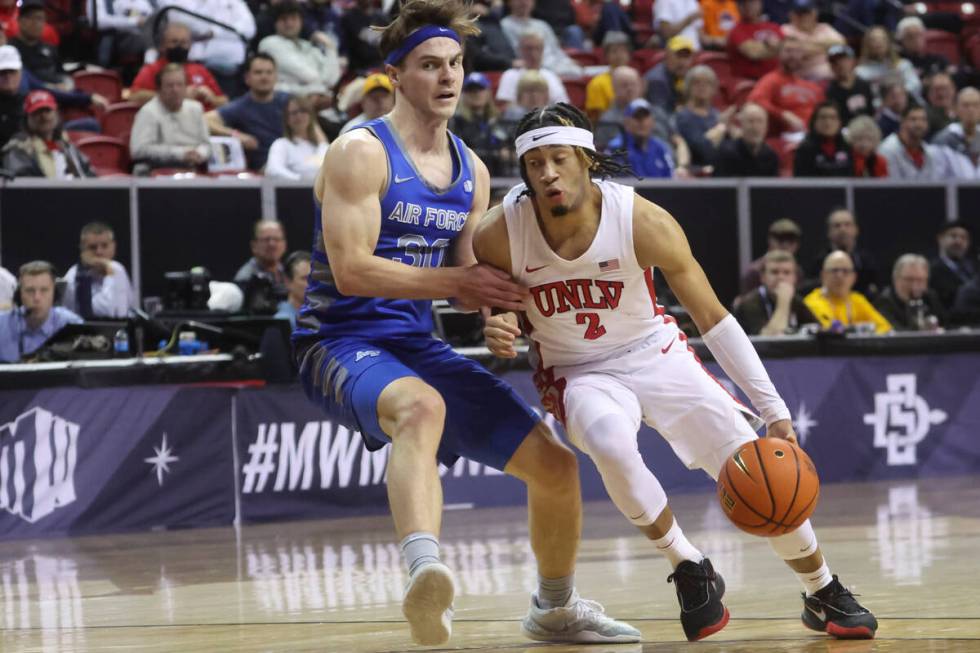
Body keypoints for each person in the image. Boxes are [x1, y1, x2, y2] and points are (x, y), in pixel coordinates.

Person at [293, 3, 640, 646]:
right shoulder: (359, 153)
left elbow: (468, 278)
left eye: (455, 64)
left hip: (414, 343)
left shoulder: (471, 171)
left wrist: (497, 317)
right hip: (338, 339)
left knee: (557, 467)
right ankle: (425, 573)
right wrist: (462, 286)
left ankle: (555, 608)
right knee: (420, 410)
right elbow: (351, 272)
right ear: (395, 75)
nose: (448, 77)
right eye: (430, 65)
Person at [479, 101, 878, 643]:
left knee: (757, 471)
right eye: (536, 164)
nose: (548, 174)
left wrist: (773, 410)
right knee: (608, 443)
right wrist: (498, 324)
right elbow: (495, 303)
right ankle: (689, 566)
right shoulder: (500, 234)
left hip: (653, 350)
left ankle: (821, 588)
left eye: (560, 159)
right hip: (575, 369)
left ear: (587, 160)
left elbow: (714, 319)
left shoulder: (642, 220)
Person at [206, 54, 290, 171]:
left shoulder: (289, 101)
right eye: (258, 72)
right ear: (247, 78)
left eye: (269, 72)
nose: (264, 77)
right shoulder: (240, 106)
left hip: (295, 159)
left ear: (276, 76)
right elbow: (205, 120)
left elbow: (313, 128)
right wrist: (235, 135)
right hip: (266, 167)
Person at [129, 63, 212, 174]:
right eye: (170, 86)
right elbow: (138, 150)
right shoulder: (148, 112)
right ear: (159, 89)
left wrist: (200, 153)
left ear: (186, 87)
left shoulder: (196, 108)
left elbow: (206, 144)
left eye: (179, 85)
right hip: (155, 172)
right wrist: (180, 154)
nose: (175, 90)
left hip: (191, 171)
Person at [129, 22, 228, 111]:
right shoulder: (152, 69)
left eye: (184, 42)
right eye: (174, 42)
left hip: (205, 121)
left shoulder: (200, 70)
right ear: (163, 45)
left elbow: (225, 102)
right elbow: (135, 96)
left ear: (190, 45)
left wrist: (212, 98)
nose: (179, 46)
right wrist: (174, 96)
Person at [0, 260, 83, 363]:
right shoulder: (2, 325)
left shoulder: (72, 324)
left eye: (44, 290)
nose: (37, 298)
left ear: (55, 293)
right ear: (19, 294)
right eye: (30, 290)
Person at [1, 90, 95, 178]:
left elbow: (88, 174)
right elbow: (24, 186)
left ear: (57, 113)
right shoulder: (19, 148)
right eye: (36, 112)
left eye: (47, 110)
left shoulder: (65, 145)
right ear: (27, 119)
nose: (43, 116)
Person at [258, 1, 341, 101]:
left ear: (301, 21)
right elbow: (311, 76)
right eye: (284, 19)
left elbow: (332, 80)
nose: (289, 23)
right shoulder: (270, 44)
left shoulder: (307, 45)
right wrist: (320, 88)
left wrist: (330, 47)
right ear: (275, 23)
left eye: (293, 18)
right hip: (285, 104)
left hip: (316, 104)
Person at [747, 37, 824, 137]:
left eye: (797, 51)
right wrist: (783, 115)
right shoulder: (772, 80)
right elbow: (755, 100)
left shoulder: (812, 86)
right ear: (779, 54)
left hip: (815, 135)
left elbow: (824, 110)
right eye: (788, 51)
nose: (793, 56)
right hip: (787, 136)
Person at [804, 251, 891, 333]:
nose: (840, 276)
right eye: (834, 270)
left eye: (845, 271)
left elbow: (885, 327)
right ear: (823, 275)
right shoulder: (812, 302)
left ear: (854, 277)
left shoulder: (857, 300)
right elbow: (829, 330)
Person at [62, 222, 135, 319]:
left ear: (113, 247)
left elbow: (129, 307)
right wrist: (109, 274)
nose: (99, 252)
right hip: (86, 332)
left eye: (104, 246)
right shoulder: (74, 276)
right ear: (82, 249)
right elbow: (105, 312)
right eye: (93, 247)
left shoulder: (119, 269)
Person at [734, 250, 817, 334]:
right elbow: (769, 339)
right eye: (774, 272)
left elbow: (816, 329)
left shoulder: (796, 300)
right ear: (763, 277)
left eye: (786, 272)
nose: (780, 277)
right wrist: (783, 302)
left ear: (795, 277)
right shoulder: (748, 304)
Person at [807, 208, 880, 297]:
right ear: (829, 232)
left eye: (847, 225)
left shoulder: (867, 262)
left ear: (856, 229)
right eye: (837, 226)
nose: (842, 229)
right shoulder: (819, 262)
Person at [674, 64, 734, 169]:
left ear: (714, 88)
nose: (702, 86)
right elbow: (701, 150)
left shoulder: (717, 115)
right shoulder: (683, 116)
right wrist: (721, 128)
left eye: (707, 83)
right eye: (697, 82)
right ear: (688, 87)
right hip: (695, 171)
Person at [500, 0, 581, 77]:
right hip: (538, 70)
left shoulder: (542, 24)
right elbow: (517, 54)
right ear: (509, 2)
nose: (524, 2)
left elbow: (557, 51)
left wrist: (569, 62)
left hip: (561, 67)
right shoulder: (504, 25)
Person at [606, 98, 680, 178]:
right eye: (637, 117)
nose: (641, 122)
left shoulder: (661, 148)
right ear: (626, 122)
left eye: (645, 117)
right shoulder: (616, 148)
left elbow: (671, 178)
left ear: (652, 122)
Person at [878, 104, 954, 181]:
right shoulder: (888, 150)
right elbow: (891, 188)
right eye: (913, 119)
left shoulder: (930, 152)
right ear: (902, 122)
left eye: (923, 119)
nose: (919, 124)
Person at [495, 31, 569, 108]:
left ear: (542, 50)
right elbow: (504, 108)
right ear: (520, 49)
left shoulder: (551, 76)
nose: (533, 53)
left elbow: (563, 108)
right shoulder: (510, 75)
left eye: (537, 48)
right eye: (529, 48)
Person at [873, 254, 946, 331]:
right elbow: (895, 334)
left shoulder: (930, 297)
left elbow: (946, 326)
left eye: (920, 280)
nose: (914, 286)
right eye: (909, 280)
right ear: (896, 279)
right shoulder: (884, 302)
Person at [10, 0, 71, 89]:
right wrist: (50, 87)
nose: (35, 23)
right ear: (19, 20)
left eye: (40, 18)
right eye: (30, 17)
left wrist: (68, 85)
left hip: (58, 96)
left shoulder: (50, 49)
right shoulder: (11, 50)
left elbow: (63, 74)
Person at [266, 95, 329, 180]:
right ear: (287, 119)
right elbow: (273, 170)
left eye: (303, 111)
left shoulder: (321, 146)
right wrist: (300, 181)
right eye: (294, 113)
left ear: (311, 116)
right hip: (294, 190)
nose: (299, 116)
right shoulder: (281, 144)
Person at [780, 0, 844, 81]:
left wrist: (806, 44)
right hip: (804, 77)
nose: (803, 17)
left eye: (807, 13)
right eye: (799, 14)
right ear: (791, 15)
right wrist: (827, 47)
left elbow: (841, 44)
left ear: (815, 13)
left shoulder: (824, 27)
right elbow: (798, 52)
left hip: (833, 74)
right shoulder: (785, 29)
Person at [854, 26, 921, 101]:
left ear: (889, 42)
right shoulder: (860, 72)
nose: (879, 42)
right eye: (874, 40)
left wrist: (897, 93)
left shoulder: (903, 65)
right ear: (867, 45)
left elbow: (916, 86)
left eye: (882, 39)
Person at [713, 102, 780, 177]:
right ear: (741, 125)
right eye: (750, 121)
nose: (755, 127)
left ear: (766, 126)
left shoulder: (770, 157)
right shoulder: (726, 154)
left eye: (760, 121)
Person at [740, 217, 803, 293]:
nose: (785, 244)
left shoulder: (798, 271)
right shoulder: (754, 271)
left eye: (791, 240)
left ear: (797, 244)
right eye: (781, 239)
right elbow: (747, 301)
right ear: (770, 240)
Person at [792, 101, 853, 177]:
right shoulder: (804, 150)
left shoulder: (848, 149)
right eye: (823, 117)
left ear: (840, 122)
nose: (828, 122)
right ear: (814, 122)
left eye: (833, 118)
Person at [932, 87, 980, 180]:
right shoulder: (943, 140)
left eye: (976, 105)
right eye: (966, 105)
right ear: (956, 108)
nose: (971, 110)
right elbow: (937, 178)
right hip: (954, 192)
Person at [585, 31, 633, 123]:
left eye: (623, 50)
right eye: (614, 51)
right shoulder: (597, 84)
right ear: (606, 56)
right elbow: (598, 120)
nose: (619, 56)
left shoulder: (635, 79)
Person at [727, 0, 781, 80]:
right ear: (738, 6)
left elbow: (786, 49)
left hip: (775, 80)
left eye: (751, 2)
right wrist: (773, 46)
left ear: (760, 3)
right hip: (748, 81)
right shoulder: (736, 30)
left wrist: (766, 47)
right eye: (742, 3)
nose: (747, 6)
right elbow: (753, 53)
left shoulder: (774, 27)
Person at [929, 220, 976, 311]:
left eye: (964, 237)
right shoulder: (931, 270)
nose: (958, 241)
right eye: (953, 236)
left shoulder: (975, 269)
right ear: (940, 239)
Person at [643, 35, 696, 114]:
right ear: (667, 55)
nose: (682, 62)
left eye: (686, 56)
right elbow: (660, 117)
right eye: (678, 55)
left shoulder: (686, 77)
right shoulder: (657, 80)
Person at [235, 219, 288, 296]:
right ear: (254, 245)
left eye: (277, 239)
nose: (272, 244)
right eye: (266, 240)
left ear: (284, 244)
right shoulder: (246, 279)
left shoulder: (288, 273)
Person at [825, 44, 873, 125]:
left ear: (853, 61)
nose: (839, 64)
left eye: (843, 59)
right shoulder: (831, 91)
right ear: (831, 67)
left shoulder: (864, 85)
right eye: (834, 61)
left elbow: (872, 111)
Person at [896, 16, 950, 81]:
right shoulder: (897, 62)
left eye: (918, 35)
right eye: (910, 37)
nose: (916, 40)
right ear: (902, 40)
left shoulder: (938, 59)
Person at [274, 250, 311, 329]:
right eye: (305, 278)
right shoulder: (280, 322)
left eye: (314, 278)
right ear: (287, 281)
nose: (312, 284)